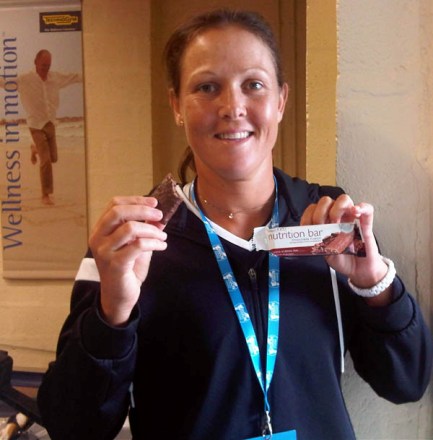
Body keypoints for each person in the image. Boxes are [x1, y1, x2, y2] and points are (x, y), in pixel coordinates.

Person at [37, 9, 433, 440]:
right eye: (207, 87)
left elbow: (407, 381)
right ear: (176, 105)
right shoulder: (132, 243)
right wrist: (112, 312)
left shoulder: (329, 223)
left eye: (253, 85)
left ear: (280, 101)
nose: (232, 107)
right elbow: (73, 426)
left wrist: (373, 284)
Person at [0, 49, 82, 205]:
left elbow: (74, 77)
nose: (46, 68)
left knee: (54, 158)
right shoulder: (25, 79)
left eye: (48, 65)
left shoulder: (55, 77)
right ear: (36, 63)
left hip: (50, 122)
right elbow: (5, 83)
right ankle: (46, 194)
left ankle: (35, 148)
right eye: (44, 65)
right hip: (35, 125)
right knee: (46, 160)